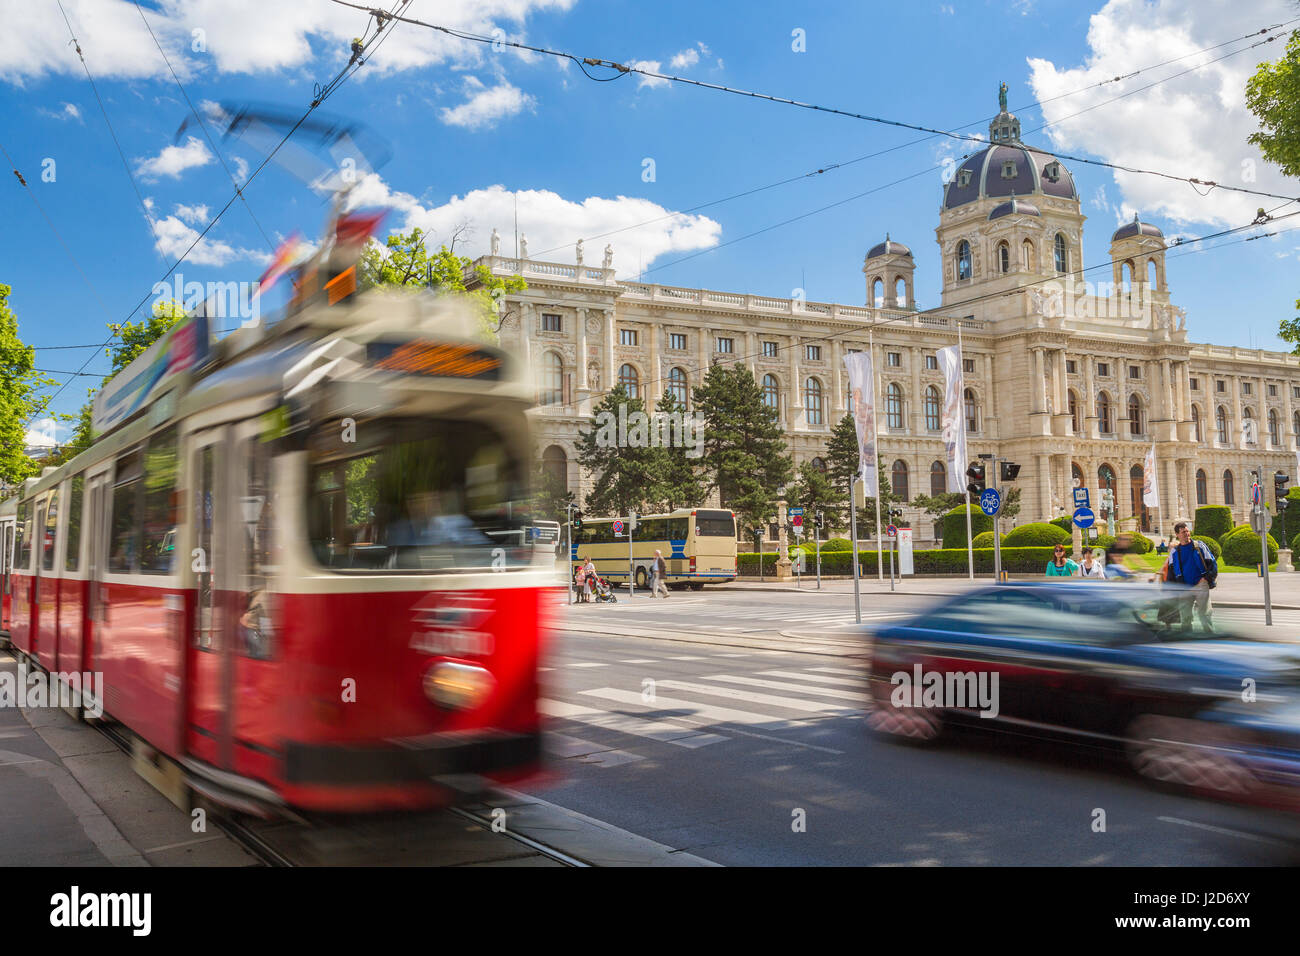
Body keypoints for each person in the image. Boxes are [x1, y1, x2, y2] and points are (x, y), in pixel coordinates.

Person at [1167, 521, 1216, 632]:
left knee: (1205, 614)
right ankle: (1187, 638)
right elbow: (1171, 572)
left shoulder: (1199, 546)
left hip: (1201, 584)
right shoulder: (1174, 552)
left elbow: (1212, 562)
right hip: (1184, 587)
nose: (1187, 534)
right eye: (1183, 532)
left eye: (1187, 531)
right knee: (1185, 616)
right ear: (1177, 535)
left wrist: (1208, 578)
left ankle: (1210, 635)